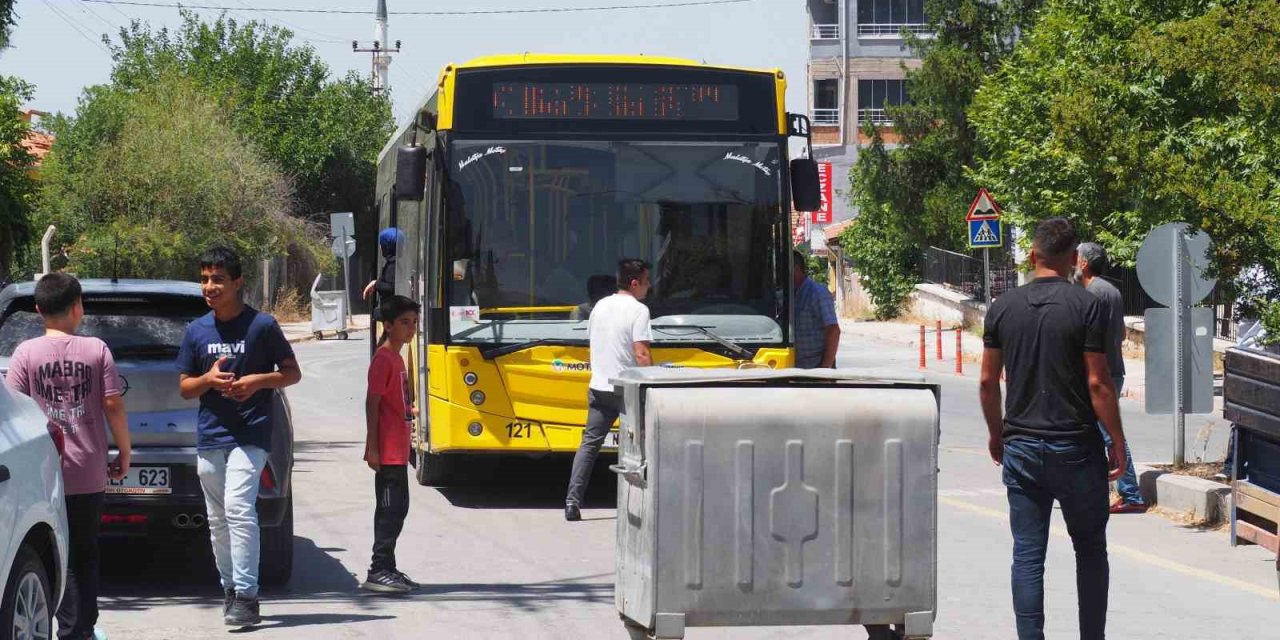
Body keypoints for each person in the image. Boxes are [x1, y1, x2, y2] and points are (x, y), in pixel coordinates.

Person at [979, 218, 1127, 640]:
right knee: (1090, 549)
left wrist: (997, 433)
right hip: (1077, 448)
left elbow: (989, 382)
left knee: (1027, 554)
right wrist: (1116, 442)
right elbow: (1098, 383)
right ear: (1072, 261)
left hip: (1022, 446)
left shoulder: (1002, 307)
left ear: (1032, 254)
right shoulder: (1086, 306)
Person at [176, 246, 302, 628]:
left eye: (217, 279)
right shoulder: (196, 331)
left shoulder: (261, 326)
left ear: (237, 282)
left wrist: (257, 381)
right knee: (217, 519)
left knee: (238, 508)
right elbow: (185, 388)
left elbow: (292, 373)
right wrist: (209, 380)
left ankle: (248, 596)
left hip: (251, 433)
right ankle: (230, 588)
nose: (209, 287)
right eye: (204, 279)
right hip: (211, 435)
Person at [4, 273, 131, 640]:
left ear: (39, 310)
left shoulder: (26, 353)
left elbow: (16, 409)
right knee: (84, 553)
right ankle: (80, 630)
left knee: (49, 551)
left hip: (42, 471)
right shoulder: (96, 350)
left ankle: (63, 623)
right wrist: (124, 449)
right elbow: (112, 404)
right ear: (79, 307)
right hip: (88, 469)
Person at [564, 258, 652, 522]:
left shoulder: (600, 306)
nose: (649, 287)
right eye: (647, 282)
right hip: (627, 389)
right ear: (635, 283)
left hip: (599, 387)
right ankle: (644, 504)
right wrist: (654, 381)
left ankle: (572, 502)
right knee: (643, 445)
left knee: (589, 444)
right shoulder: (639, 310)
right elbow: (642, 354)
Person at [1077, 242, 1145, 514]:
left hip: (1100, 373)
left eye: (1076, 258)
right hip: (1113, 369)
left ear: (1084, 263)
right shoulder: (1110, 291)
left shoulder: (1092, 293)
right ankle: (1098, 489)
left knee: (1108, 433)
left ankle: (1131, 493)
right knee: (1098, 432)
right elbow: (1121, 334)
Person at [360, 295, 422, 593]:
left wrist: (409, 412)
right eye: (404, 323)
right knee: (389, 509)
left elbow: (395, 400)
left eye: (414, 323)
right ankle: (378, 569)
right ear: (388, 325)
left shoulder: (397, 357)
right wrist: (372, 446)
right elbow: (372, 404)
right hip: (386, 450)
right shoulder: (383, 359)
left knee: (400, 508)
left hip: (399, 449)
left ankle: (389, 567)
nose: (411, 329)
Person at [793, 250, 840, 368]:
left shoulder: (818, 293)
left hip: (816, 367)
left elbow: (833, 331)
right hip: (795, 368)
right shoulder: (789, 295)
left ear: (796, 269)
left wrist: (824, 369)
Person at [364, 228, 404, 351]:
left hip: (392, 316)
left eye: (382, 244)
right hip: (391, 315)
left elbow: (392, 287)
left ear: (388, 246)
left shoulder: (393, 265)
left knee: (382, 351)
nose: (380, 248)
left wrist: (376, 284)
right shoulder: (392, 263)